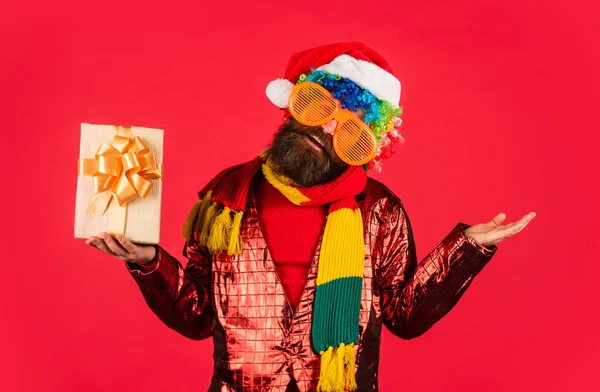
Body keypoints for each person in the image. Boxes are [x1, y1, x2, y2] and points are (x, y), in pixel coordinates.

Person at [85, 42, 535, 392]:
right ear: (293, 105)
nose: (327, 129)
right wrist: (148, 262)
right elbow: (200, 316)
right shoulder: (227, 196)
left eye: (351, 129)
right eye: (320, 108)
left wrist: (470, 248)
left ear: (364, 146)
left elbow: (405, 317)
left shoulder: (380, 213)